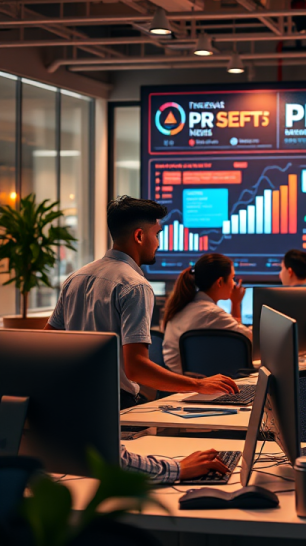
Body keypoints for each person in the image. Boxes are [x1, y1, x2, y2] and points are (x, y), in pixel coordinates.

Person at [45, 196, 236, 482]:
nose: (158, 242)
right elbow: (135, 368)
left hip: (72, 407)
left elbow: (46, 344)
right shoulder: (135, 286)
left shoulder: (76, 277)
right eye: (157, 234)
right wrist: (198, 384)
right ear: (139, 235)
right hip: (114, 406)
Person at [162, 253, 253, 374]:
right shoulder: (211, 314)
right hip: (193, 385)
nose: (234, 284)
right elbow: (249, 343)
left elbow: (236, 335)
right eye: (232, 278)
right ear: (220, 282)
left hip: (180, 383)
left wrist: (235, 304)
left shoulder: (190, 306)